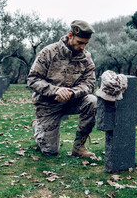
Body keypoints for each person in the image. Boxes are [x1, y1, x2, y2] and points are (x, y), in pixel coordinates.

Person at [27, 20, 97, 158]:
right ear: (70, 36)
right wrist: (56, 91)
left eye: (85, 44)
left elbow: (90, 83)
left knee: (92, 101)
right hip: (48, 105)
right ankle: (38, 127)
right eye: (79, 42)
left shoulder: (86, 58)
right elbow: (33, 79)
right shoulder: (48, 52)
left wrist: (72, 93)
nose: (83, 47)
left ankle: (79, 147)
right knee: (50, 151)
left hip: (72, 101)